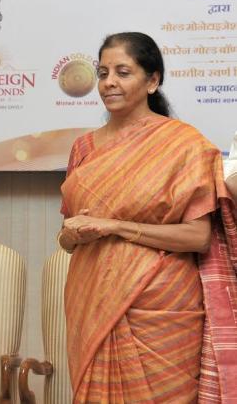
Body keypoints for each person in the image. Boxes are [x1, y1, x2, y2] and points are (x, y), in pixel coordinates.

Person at [57, 32, 237, 402]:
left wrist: (117, 227)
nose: (109, 82)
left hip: (161, 303)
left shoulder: (185, 144)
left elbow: (198, 237)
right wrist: (72, 236)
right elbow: (67, 236)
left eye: (123, 72)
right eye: (103, 73)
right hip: (91, 298)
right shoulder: (83, 148)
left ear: (152, 81)